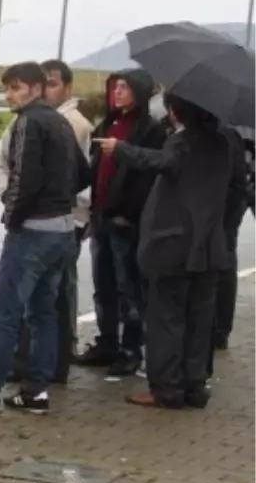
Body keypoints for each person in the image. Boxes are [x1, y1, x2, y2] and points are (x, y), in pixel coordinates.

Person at [96, 95, 245, 408]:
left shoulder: (183, 142)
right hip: (210, 247)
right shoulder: (225, 142)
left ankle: (167, 389)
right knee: (199, 320)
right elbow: (237, 190)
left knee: (166, 319)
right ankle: (194, 386)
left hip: (173, 245)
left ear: (177, 111)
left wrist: (120, 149)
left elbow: (161, 162)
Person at [0, 62, 88, 414]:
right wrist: (59, 198)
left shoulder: (27, 123)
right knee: (44, 313)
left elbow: (24, 180)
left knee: (7, 315)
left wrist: (12, 215)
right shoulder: (61, 123)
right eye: (7, 88)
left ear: (37, 88)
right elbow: (84, 173)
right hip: (63, 230)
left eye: (17, 88)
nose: (10, 95)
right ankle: (37, 391)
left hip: (33, 232)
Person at [76, 70, 168, 379]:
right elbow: (95, 167)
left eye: (125, 87)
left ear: (140, 92)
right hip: (100, 216)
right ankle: (107, 343)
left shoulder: (150, 130)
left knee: (129, 288)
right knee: (103, 286)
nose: (118, 92)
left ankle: (131, 349)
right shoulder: (108, 123)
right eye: (115, 86)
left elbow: (149, 174)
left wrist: (128, 213)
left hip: (125, 221)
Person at [214, 125, 256, 352]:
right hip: (240, 181)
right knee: (225, 252)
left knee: (224, 253)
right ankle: (220, 328)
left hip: (238, 183)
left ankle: (220, 329)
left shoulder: (227, 110)